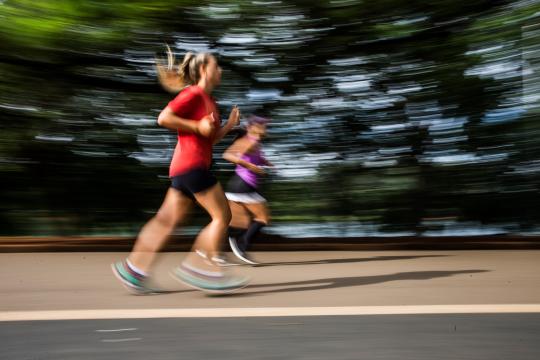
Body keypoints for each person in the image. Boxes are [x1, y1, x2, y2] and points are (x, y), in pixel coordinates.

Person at [112, 48, 249, 294]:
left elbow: (209, 139)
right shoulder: (193, 94)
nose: (220, 70)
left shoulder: (211, 101)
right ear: (204, 70)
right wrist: (196, 125)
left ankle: (134, 270)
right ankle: (198, 268)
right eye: (216, 66)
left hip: (183, 168)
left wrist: (228, 125)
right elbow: (164, 118)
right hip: (193, 166)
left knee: (165, 221)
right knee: (222, 217)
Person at [223, 116, 273, 265]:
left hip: (240, 185)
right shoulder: (247, 140)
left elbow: (256, 158)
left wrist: (267, 163)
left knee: (238, 223)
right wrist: (251, 167)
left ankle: (210, 249)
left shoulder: (256, 142)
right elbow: (228, 155)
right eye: (262, 124)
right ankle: (242, 245)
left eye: (266, 124)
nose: (266, 126)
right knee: (262, 218)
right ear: (252, 127)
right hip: (243, 185)